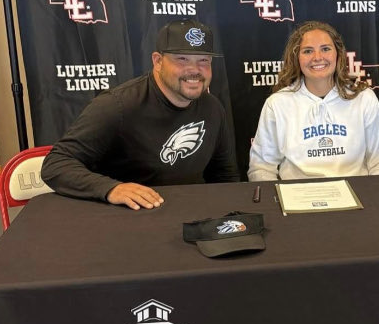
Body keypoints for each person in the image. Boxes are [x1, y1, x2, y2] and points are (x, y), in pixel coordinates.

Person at [41, 19, 239, 209]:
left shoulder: (212, 108)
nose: (194, 70)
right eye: (182, 59)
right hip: (129, 219)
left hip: (189, 217)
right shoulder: (117, 105)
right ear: (158, 61)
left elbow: (224, 175)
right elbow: (56, 164)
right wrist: (111, 188)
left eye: (203, 60)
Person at [248, 21, 379, 180]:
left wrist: (371, 198)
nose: (317, 57)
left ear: (338, 54)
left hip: (357, 197)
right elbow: (261, 167)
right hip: (297, 199)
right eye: (308, 51)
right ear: (296, 57)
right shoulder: (277, 104)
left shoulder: (364, 98)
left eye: (325, 49)